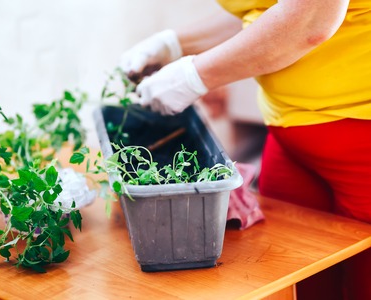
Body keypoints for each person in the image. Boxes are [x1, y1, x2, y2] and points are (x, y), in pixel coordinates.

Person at [118, 0, 371, 299]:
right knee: (293, 282)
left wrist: (194, 76)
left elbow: (311, 20)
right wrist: (174, 43)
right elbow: (267, 11)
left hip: (361, 146)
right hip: (289, 135)